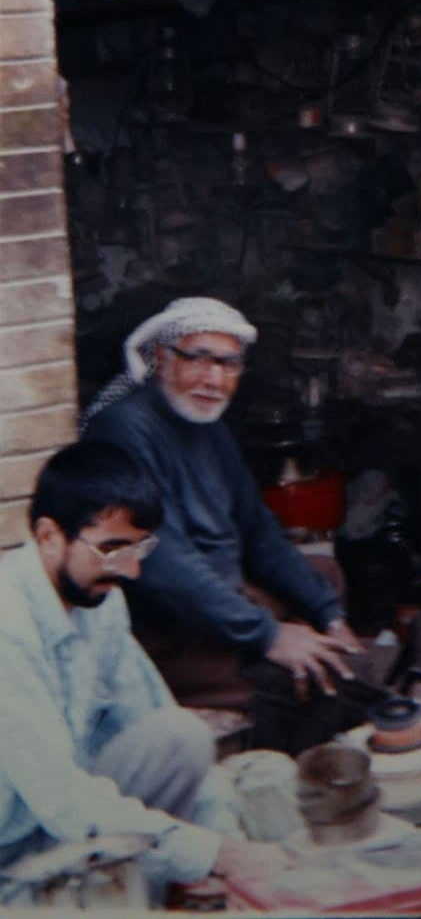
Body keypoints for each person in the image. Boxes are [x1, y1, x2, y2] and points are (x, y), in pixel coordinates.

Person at [0, 440, 284, 897]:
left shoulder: (100, 601)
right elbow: (62, 802)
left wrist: (224, 842)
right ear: (50, 536)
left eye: (139, 549)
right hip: (10, 860)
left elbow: (151, 712)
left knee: (181, 736)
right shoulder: (7, 632)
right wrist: (209, 855)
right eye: (112, 549)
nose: (131, 571)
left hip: (58, 828)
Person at [82, 297, 363, 733]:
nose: (214, 379)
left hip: (217, 590)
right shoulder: (123, 430)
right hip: (165, 617)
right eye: (199, 359)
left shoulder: (208, 427)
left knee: (326, 578)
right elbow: (162, 567)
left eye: (229, 364)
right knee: (287, 685)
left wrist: (328, 613)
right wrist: (269, 635)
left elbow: (259, 532)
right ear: (161, 359)